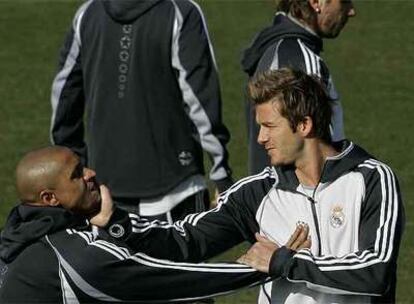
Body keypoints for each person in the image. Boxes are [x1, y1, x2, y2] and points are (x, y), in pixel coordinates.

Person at [92, 68, 404, 304]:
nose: (260, 139)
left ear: (304, 125)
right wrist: (118, 224)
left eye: (269, 126)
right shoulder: (256, 194)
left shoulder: (372, 179)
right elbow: (187, 240)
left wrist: (283, 262)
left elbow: (374, 272)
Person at [0, 146, 266, 303]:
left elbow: (175, 239)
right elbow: (167, 280)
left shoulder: (15, 237)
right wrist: (262, 268)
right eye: (77, 174)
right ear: (49, 198)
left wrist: (111, 230)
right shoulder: (71, 254)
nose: (90, 174)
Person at [50, 0, 233, 223]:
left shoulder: (88, 14)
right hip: (176, 189)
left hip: (105, 195)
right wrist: (221, 173)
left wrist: (75, 170)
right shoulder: (180, 12)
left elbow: (65, 98)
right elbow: (201, 98)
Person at [241, 0, 356, 174]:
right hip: (297, 196)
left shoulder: (275, 48)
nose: (351, 11)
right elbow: (316, 154)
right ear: (316, 2)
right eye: (344, 2)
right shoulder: (301, 61)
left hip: (269, 192)